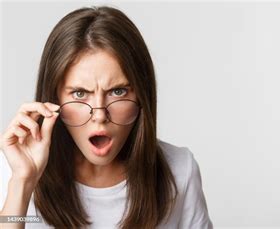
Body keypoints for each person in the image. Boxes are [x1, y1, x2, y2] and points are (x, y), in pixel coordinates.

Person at [0, 6, 213, 229]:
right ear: (54, 100)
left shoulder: (180, 170)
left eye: (117, 91)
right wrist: (22, 183)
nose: (100, 115)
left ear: (141, 95)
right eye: (80, 93)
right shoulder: (13, 168)